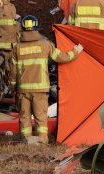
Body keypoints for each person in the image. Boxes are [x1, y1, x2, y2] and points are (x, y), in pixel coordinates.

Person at [9, 15, 83, 144]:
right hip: (40, 89)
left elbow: (13, 72)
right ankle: (42, 140)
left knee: (24, 116)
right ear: (37, 28)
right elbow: (62, 58)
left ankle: (26, 140)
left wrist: (13, 88)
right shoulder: (45, 45)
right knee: (40, 116)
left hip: (23, 89)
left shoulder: (17, 48)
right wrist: (75, 51)